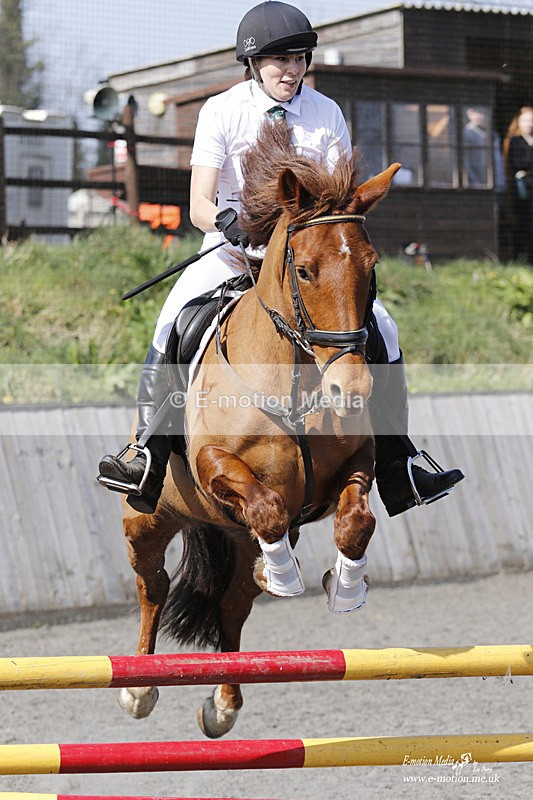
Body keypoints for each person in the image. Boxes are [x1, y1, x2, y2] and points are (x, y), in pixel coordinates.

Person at [98, 1, 463, 518]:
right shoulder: (221, 111)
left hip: (307, 265)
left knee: (384, 325)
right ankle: (147, 452)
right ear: (252, 63)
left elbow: (337, 197)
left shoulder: (325, 112)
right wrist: (225, 223)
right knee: (172, 320)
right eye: (280, 61)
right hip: (230, 256)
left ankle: (401, 461)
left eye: (300, 60)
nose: (292, 71)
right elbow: (199, 203)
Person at [503, 105, 533, 264]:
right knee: (523, 223)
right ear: (519, 122)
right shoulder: (515, 141)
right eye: (527, 120)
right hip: (523, 190)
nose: (530, 124)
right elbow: (519, 163)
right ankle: (521, 257)